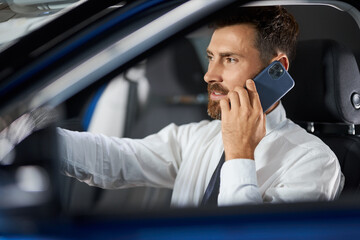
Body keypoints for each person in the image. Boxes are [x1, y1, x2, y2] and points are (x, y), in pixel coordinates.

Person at [57, 6, 343, 207]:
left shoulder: (314, 162)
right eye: (210, 57)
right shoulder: (198, 137)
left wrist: (240, 154)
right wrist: (39, 141)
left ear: (276, 69)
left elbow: (243, 234)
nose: (209, 75)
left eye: (229, 59)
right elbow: (115, 160)